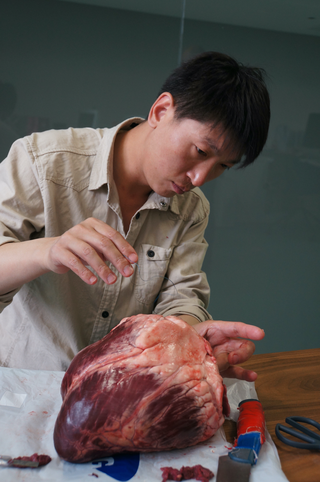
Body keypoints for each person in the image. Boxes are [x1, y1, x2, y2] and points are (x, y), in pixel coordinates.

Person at [0, 52, 270, 377]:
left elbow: (182, 294)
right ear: (161, 111)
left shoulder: (191, 208)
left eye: (222, 167)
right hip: (23, 384)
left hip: (119, 390)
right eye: (200, 151)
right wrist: (47, 251)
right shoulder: (44, 163)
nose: (200, 178)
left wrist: (185, 335)